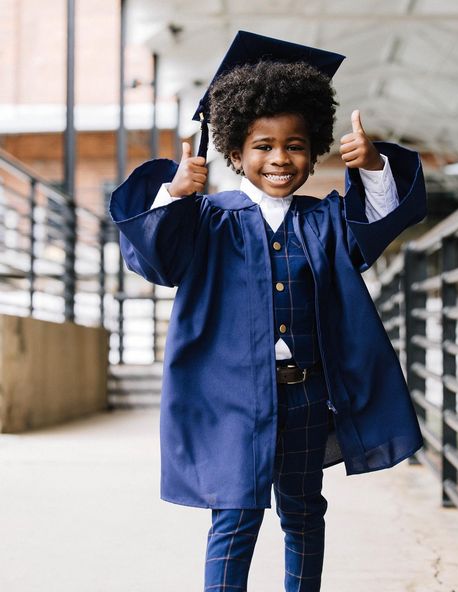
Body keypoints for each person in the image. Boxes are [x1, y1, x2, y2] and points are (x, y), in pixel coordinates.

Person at [110, 31, 426, 592]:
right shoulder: (205, 221)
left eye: (296, 145)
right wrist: (176, 194)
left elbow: (370, 233)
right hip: (229, 397)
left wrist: (374, 167)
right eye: (263, 145)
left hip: (306, 393)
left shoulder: (325, 220)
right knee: (234, 516)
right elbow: (154, 258)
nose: (280, 158)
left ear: (314, 152)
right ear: (234, 152)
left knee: (303, 511)